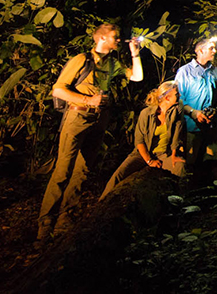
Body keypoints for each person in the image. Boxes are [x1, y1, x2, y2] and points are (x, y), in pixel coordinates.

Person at [37, 22, 144, 242]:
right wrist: (88, 99)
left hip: (99, 119)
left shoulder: (112, 62)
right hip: (77, 116)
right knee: (62, 171)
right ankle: (45, 222)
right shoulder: (82, 60)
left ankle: (64, 220)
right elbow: (58, 89)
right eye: (115, 36)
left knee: (83, 171)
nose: (118, 40)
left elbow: (137, 77)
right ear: (102, 38)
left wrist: (135, 55)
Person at [99, 80, 186, 199]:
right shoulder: (146, 114)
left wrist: (174, 154)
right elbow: (139, 141)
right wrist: (149, 161)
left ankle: (178, 201)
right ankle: (102, 201)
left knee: (179, 168)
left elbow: (177, 133)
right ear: (167, 97)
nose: (179, 96)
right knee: (119, 175)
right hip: (143, 152)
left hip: (164, 153)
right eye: (176, 94)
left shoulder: (177, 109)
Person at [174, 35, 217, 186]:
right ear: (200, 51)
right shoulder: (184, 72)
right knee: (190, 161)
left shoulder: (215, 72)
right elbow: (177, 99)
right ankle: (188, 195)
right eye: (211, 48)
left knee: (216, 159)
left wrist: (215, 109)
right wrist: (194, 113)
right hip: (191, 126)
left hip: (211, 125)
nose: (214, 51)